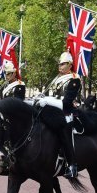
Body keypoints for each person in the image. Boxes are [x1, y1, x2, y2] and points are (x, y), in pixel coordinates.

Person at [37, 50, 82, 178]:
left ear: (70, 65)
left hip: (67, 113)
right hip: (54, 112)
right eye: (59, 64)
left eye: (62, 64)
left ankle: (72, 165)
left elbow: (66, 103)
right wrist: (42, 97)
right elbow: (53, 96)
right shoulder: (57, 79)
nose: (59, 67)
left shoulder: (74, 79)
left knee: (64, 131)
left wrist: (47, 100)